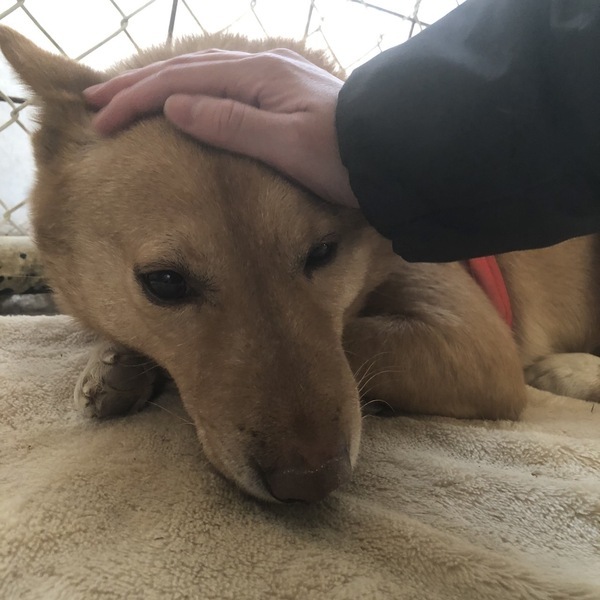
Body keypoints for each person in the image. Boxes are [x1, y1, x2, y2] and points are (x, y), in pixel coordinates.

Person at [84, 0, 600, 263]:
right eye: (167, 284)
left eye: (321, 254)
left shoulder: (380, 214)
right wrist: (377, 129)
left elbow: (483, 373)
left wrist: (374, 137)